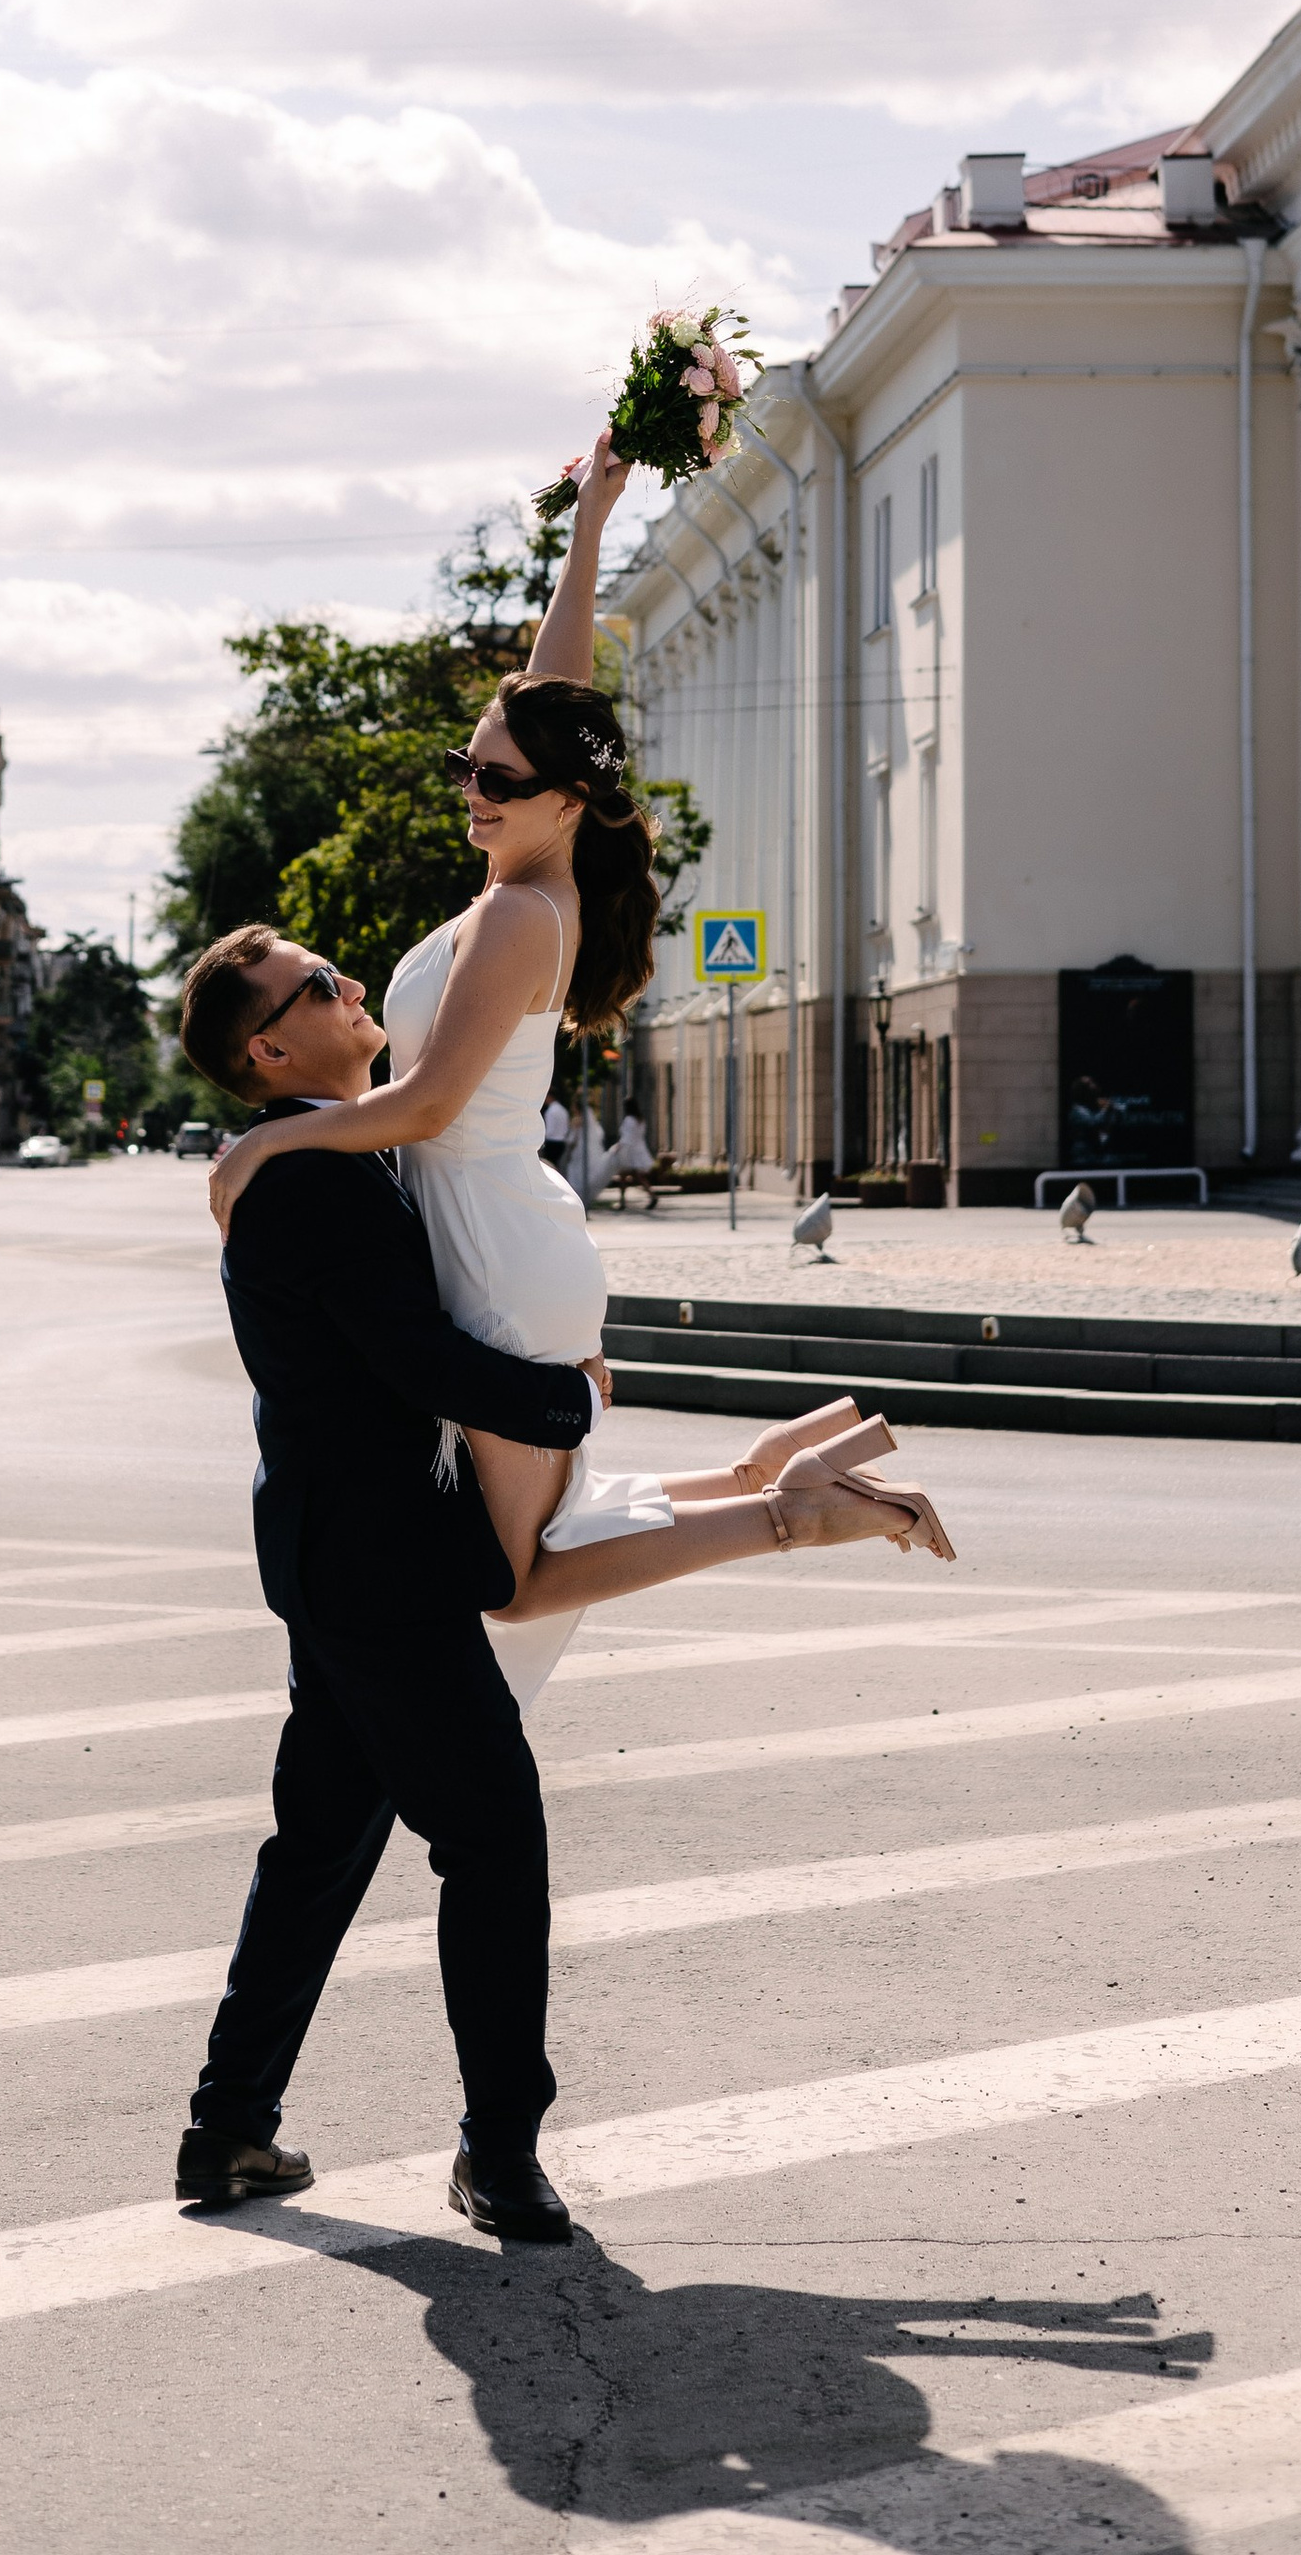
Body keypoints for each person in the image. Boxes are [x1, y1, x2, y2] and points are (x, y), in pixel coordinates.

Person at [173, 926, 947, 2247]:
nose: (346, 986)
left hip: (348, 1563)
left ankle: (231, 2125)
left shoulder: (329, 1153)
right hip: (380, 1574)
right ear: (268, 1049)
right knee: (490, 1841)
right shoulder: (309, 1183)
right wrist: (569, 1400)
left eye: (335, 972)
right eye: (315, 988)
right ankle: (497, 2152)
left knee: (320, 1850)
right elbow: (419, 1359)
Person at [208, 426, 949, 1705]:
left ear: (561, 801)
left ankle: (791, 1510)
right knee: (533, 1543)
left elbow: (427, 1104)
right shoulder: (532, 879)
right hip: (502, 1235)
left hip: (493, 1250)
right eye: (468, 766)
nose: (472, 789)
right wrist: (590, 526)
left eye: (494, 778)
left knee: (516, 1576)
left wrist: (265, 1140)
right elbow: (554, 698)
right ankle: (772, 1473)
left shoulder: (515, 913)